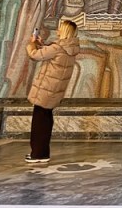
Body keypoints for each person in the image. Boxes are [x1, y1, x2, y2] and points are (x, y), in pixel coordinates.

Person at [24, 19, 80, 164]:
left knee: (39, 122)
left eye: (60, 28)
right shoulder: (70, 48)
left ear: (65, 31)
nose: (58, 30)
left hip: (46, 88)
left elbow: (34, 55)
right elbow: (50, 53)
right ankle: (43, 152)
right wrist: (42, 44)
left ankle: (37, 154)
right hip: (54, 89)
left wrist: (32, 43)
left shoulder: (57, 48)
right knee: (46, 119)